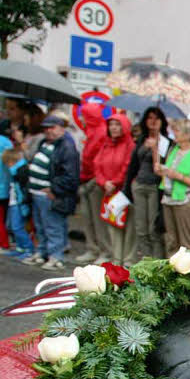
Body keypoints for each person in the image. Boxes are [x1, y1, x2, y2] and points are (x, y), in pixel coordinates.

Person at [22, 114, 79, 270]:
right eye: (46, 128)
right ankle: (42, 253)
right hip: (37, 192)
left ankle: (56, 256)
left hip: (50, 195)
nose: (48, 131)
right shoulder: (44, 142)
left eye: (52, 127)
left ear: (61, 128)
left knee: (53, 226)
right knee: (40, 226)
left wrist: (54, 188)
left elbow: (71, 176)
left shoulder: (66, 147)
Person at [123, 107, 171, 260]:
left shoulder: (166, 142)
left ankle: (156, 261)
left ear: (162, 121)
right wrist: (127, 187)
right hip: (139, 185)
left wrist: (155, 148)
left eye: (156, 118)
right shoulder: (141, 139)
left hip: (155, 187)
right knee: (141, 228)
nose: (153, 121)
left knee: (153, 228)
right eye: (150, 118)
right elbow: (133, 165)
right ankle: (145, 259)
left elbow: (164, 166)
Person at [157, 119, 190, 252]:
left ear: (188, 134)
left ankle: (188, 271)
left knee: (187, 243)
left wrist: (180, 177)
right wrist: (162, 170)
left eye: (177, 130)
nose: (174, 133)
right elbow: (170, 171)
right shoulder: (175, 150)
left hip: (185, 202)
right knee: (171, 241)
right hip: (169, 200)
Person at [92, 114, 136, 266]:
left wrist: (115, 182)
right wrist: (104, 182)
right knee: (112, 224)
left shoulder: (130, 145)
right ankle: (116, 259)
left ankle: (128, 260)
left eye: (117, 124)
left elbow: (127, 166)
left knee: (128, 226)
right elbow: (97, 164)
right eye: (111, 124)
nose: (114, 128)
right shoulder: (106, 143)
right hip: (107, 190)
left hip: (123, 190)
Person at [74, 103, 114, 264]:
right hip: (86, 179)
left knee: (98, 220)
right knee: (87, 217)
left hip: (96, 182)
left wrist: (95, 179)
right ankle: (92, 248)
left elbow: (99, 160)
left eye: (84, 115)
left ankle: (105, 250)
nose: (81, 118)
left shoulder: (101, 133)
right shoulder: (90, 132)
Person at [3, 148, 33, 260]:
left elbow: (24, 191)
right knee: (11, 225)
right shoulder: (17, 171)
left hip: (18, 203)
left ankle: (28, 249)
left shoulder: (21, 171)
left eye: (8, 163)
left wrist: (23, 204)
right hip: (13, 201)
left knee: (17, 226)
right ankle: (20, 248)